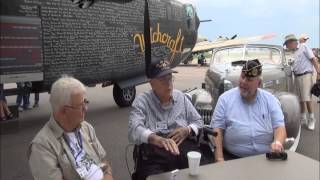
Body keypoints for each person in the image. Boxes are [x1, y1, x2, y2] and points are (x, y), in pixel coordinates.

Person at [128, 60, 204, 180]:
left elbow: (199, 122)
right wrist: (156, 139)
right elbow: (134, 130)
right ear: (152, 83)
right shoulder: (143, 101)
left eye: (170, 78)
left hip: (182, 150)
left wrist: (187, 130)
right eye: (162, 80)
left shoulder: (180, 97)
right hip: (154, 154)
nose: (168, 84)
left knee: (202, 173)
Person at [28, 76, 113, 180]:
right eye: (81, 105)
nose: (86, 108)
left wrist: (108, 176)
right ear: (64, 111)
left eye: (85, 102)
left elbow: (103, 161)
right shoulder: (42, 146)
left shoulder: (86, 128)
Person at [210, 59, 287, 162]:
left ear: (258, 83)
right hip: (233, 159)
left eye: (249, 80)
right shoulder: (225, 99)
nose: (243, 82)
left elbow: (279, 127)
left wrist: (277, 143)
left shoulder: (270, 100)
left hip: (266, 159)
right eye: (242, 77)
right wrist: (219, 158)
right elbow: (217, 130)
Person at [284, 34, 320, 130]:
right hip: (297, 76)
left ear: (292, 42)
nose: (287, 47)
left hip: (306, 75)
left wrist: (318, 72)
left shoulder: (303, 46)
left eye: (287, 44)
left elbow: (313, 59)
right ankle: (303, 118)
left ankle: (312, 119)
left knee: (307, 98)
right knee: (300, 98)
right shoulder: (293, 52)